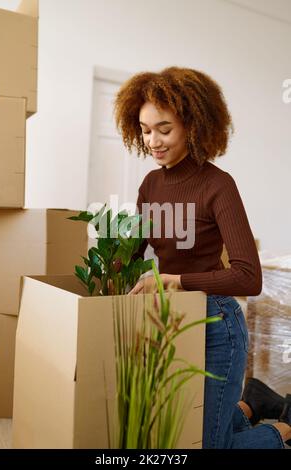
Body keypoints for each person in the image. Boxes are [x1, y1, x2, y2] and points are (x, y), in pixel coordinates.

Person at [113, 66, 291, 448]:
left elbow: (248, 277)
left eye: (164, 129)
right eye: (145, 130)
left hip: (216, 326)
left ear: (193, 125)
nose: (153, 141)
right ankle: (255, 402)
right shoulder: (150, 184)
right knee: (184, 433)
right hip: (171, 321)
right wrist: (107, 270)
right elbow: (135, 252)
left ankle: (283, 429)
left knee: (208, 445)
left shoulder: (217, 185)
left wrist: (176, 280)